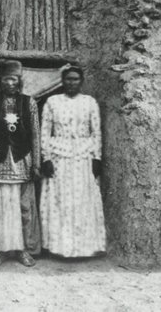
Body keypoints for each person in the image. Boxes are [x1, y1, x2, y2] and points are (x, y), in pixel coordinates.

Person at [0, 59, 41, 267]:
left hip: (22, 161)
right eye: (6, 79)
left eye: (14, 79)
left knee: (23, 208)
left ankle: (23, 251)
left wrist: (36, 163)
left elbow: (36, 136)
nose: (10, 83)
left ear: (19, 80)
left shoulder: (28, 102)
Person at [39, 66, 106, 257]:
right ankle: (58, 247)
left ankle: (85, 248)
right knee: (61, 200)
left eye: (75, 79)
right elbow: (45, 131)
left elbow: (96, 132)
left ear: (81, 81)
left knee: (82, 200)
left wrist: (97, 157)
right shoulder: (52, 102)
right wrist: (47, 158)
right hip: (59, 156)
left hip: (83, 157)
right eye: (68, 79)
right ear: (62, 81)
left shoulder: (89, 102)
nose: (71, 83)